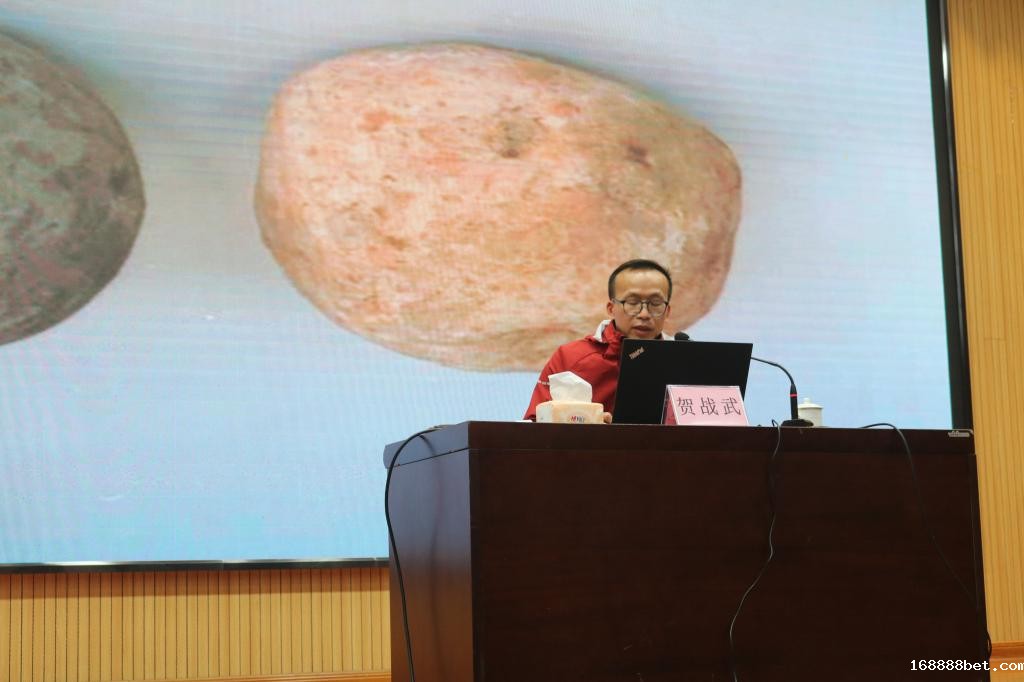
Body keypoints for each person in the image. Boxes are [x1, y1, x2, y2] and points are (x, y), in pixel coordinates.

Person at [523, 259, 674, 421]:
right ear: (611, 308)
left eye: (656, 303)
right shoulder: (570, 357)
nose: (644, 314)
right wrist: (589, 425)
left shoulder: (682, 361)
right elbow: (535, 424)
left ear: (667, 311)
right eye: (632, 302)